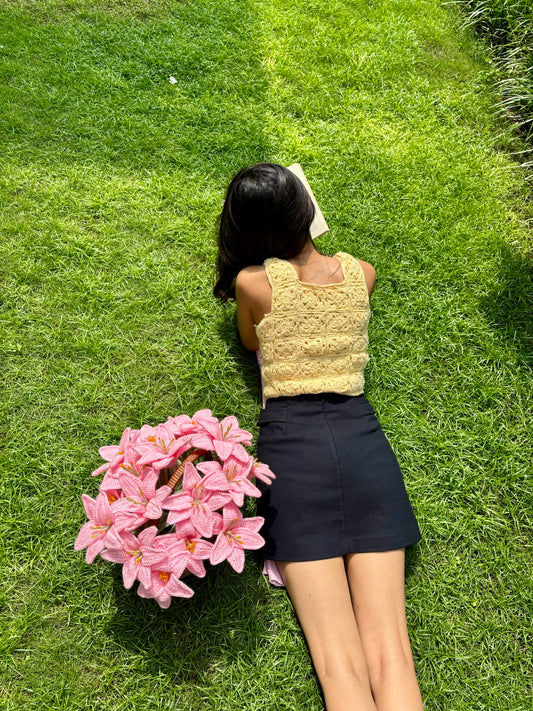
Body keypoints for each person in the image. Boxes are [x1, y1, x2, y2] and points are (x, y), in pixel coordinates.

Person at [213, 162, 424, 711]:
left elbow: (252, 342)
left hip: (294, 456)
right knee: (393, 656)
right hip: (364, 448)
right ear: (307, 210)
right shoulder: (363, 274)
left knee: (338, 664)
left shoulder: (252, 283)